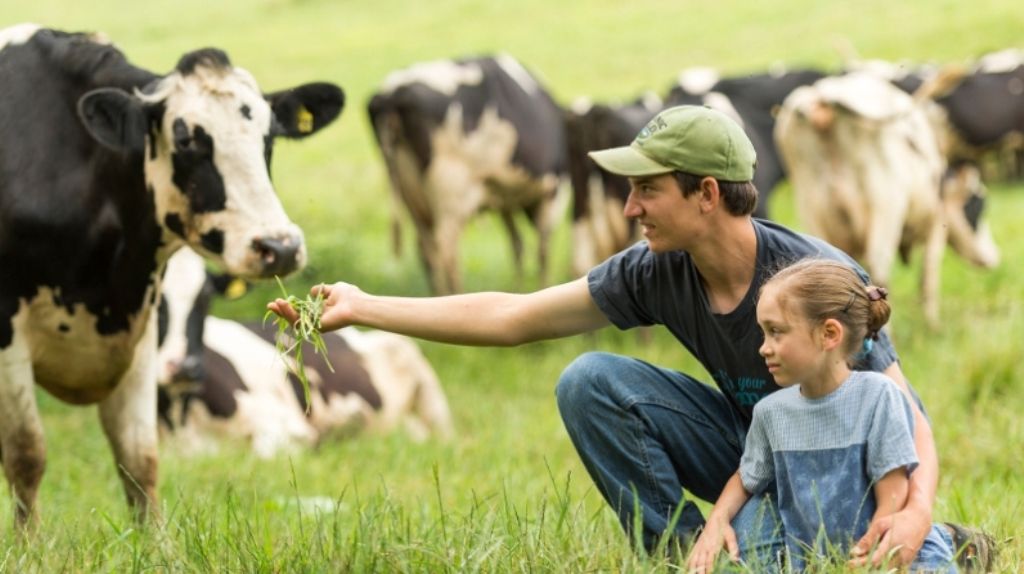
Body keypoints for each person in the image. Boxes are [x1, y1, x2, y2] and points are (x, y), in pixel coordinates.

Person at [267, 105, 984, 569]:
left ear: (707, 194)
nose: (629, 205)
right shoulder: (654, 269)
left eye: (648, 190)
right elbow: (515, 317)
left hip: (840, 458)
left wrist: (917, 510)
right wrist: (366, 306)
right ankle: (688, 557)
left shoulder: (812, 278)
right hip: (758, 447)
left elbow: (903, 412)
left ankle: (933, 540)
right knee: (589, 382)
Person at [686, 259, 956, 572]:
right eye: (763, 333)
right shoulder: (771, 413)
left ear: (829, 334)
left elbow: (891, 502)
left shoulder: (878, 397)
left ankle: (956, 544)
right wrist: (716, 522)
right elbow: (747, 479)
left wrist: (871, 562)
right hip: (817, 562)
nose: (763, 348)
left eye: (776, 332)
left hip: (888, 553)